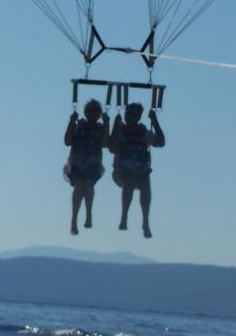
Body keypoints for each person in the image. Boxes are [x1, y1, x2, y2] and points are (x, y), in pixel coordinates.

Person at [110, 102, 165, 238]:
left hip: (140, 171)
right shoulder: (120, 130)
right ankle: (124, 216)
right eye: (127, 114)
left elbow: (160, 142)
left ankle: (145, 221)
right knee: (129, 182)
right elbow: (111, 147)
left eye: (132, 115)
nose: (129, 117)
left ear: (138, 117)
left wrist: (155, 121)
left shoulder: (144, 133)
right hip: (122, 171)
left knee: (145, 184)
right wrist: (115, 126)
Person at [63, 99, 109, 235]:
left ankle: (88, 213)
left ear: (99, 114)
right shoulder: (78, 126)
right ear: (85, 112)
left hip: (93, 163)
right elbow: (67, 141)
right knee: (79, 184)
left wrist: (107, 124)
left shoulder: (101, 129)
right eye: (89, 111)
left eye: (95, 111)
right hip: (76, 162)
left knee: (88, 183)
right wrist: (72, 121)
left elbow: (105, 144)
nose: (92, 114)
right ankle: (74, 219)